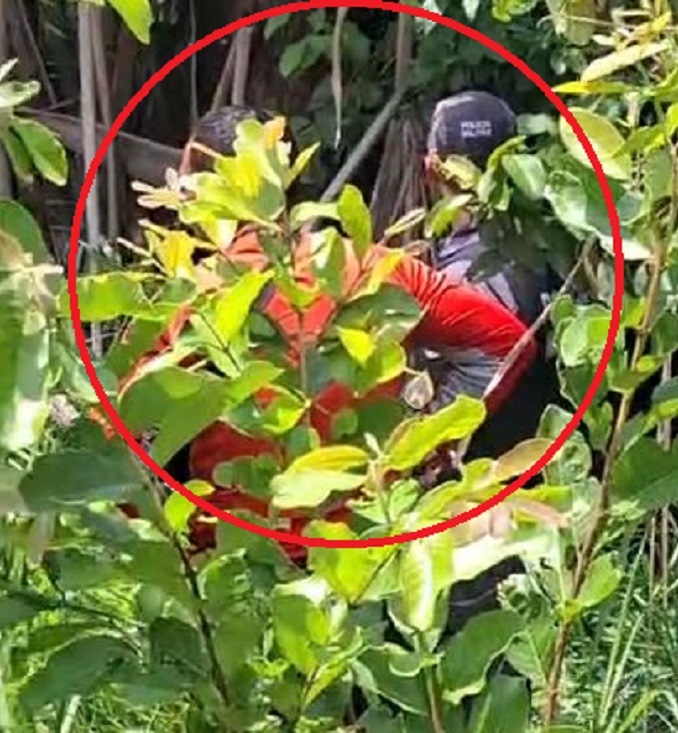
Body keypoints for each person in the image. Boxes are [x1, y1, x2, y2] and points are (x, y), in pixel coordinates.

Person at [109, 105, 538, 563]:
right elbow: (505, 345)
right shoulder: (377, 269)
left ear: (203, 187)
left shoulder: (190, 303)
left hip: (237, 558)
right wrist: (420, 445)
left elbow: (121, 448)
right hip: (368, 545)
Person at [421, 91, 558, 462]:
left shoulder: (464, 276)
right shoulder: (558, 238)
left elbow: (470, 384)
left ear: (432, 167)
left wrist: (421, 446)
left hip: (489, 473)